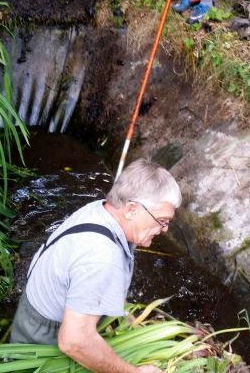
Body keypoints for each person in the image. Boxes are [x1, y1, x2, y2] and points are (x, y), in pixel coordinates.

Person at [11, 158, 182, 373]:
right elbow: (74, 341)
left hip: (32, 313)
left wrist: (123, 316)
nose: (164, 229)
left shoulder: (100, 211)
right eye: (161, 220)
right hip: (42, 340)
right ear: (131, 209)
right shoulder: (102, 257)